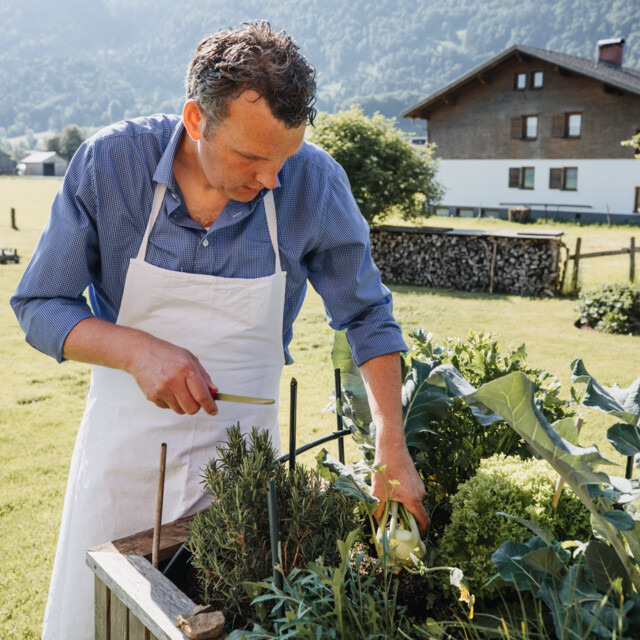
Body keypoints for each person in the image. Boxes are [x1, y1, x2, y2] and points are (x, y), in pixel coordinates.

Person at [11, 21, 428, 640]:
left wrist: (390, 442)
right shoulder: (110, 163)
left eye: (285, 156)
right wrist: (136, 350)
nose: (272, 180)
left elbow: (366, 314)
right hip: (123, 464)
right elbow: (40, 304)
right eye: (253, 157)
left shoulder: (314, 183)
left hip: (242, 476)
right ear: (196, 119)